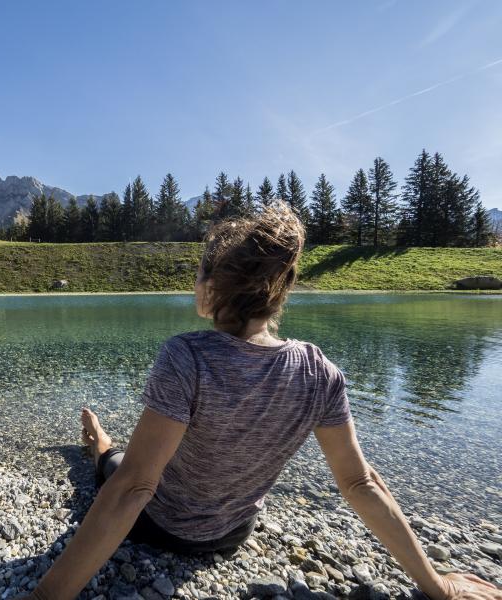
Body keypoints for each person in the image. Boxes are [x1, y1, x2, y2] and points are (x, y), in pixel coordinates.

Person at [27, 203, 501, 600]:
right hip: (233, 534)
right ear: (281, 290)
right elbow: (360, 483)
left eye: (198, 273)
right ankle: (100, 443)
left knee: (118, 465)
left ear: (211, 288)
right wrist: (438, 585)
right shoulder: (320, 371)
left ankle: (98, 445)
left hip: (164, 527)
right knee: (134, 460)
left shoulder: (186, 355)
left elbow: (134, 490)